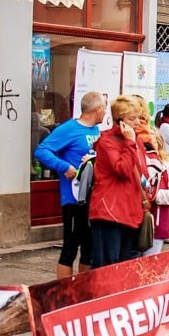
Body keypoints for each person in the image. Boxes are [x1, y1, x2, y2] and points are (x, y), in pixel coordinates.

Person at [34, 91, 105, 278]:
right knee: (71, 245)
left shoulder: (96, 132)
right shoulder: (69, 129)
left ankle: (83, 291)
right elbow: (42, 151)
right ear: (97, 109)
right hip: (73, 197)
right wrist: (64, 166)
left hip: (92, 197)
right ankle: (64, 292)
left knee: (89, 246)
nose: (106, 113)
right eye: (104, 108)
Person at [89, 95, 146, 267]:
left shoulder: (137, 141)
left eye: (138, 117)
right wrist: (129, 142)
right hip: (110, 212)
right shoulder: (107, 142)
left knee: (127, 265)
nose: (137, 122)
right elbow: (122, 169)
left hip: (130, 210)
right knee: (107, 265)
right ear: (119, 121)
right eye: (131, 118)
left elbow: (141, 172)